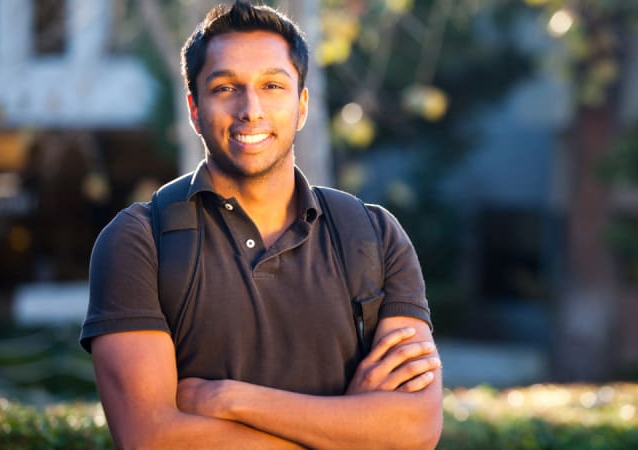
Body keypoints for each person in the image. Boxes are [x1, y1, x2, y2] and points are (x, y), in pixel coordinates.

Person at [79, 1, 442, 448]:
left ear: (302, 104)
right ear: (194, 109)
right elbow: (151, 439)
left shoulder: (374, 236)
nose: (250, 108)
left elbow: (417, 429)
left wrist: (228, 398)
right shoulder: (138, 243)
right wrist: (354, 431)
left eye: (272, 85)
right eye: (226, 87)